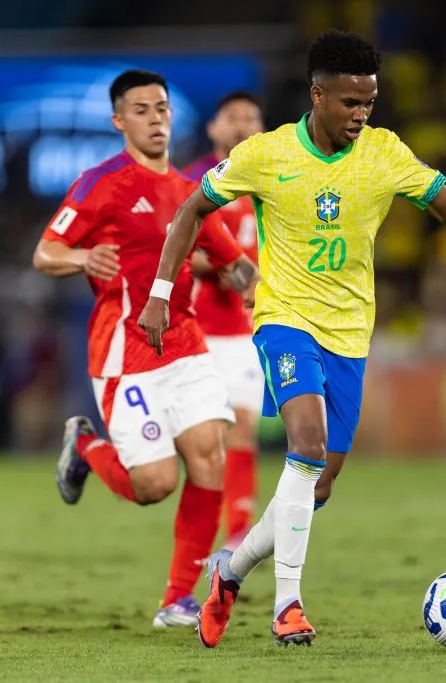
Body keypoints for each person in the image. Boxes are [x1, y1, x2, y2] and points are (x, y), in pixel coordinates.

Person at [138, 29, 446, 647]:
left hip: (350, 332)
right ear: (317, 95)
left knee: (316, 484)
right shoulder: (266, 154)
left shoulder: (385, 152)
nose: (361, 114)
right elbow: (190, 211)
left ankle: (229, 573)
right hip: (285, 319)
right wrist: (159, 294)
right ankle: (287, 606)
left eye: (369, 102)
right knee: (306, 443)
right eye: (350, 103)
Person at [32, 69, 257, 629]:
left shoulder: (188, 192)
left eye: (161, 109)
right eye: (141, 110)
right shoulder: (100, 183)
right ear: (119, 121)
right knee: (155, 485)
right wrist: (82, 258)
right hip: (124, 350)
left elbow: (232, 264)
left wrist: (257, 286)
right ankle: (86, 446)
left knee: (209, 456)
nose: (155, 119)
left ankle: (178, 598)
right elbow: (46, 252)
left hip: (186, 343)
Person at [183, 91, 266, 551]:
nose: (241, 125)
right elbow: (172, 248)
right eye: (231, 117)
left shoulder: (271, 180)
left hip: (246, 330)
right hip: (195, 329)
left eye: (250, 117)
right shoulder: (192, 181)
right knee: (202, 439)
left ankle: (237, 534)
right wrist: (226, 265)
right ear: (213, 128)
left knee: (243, 427)